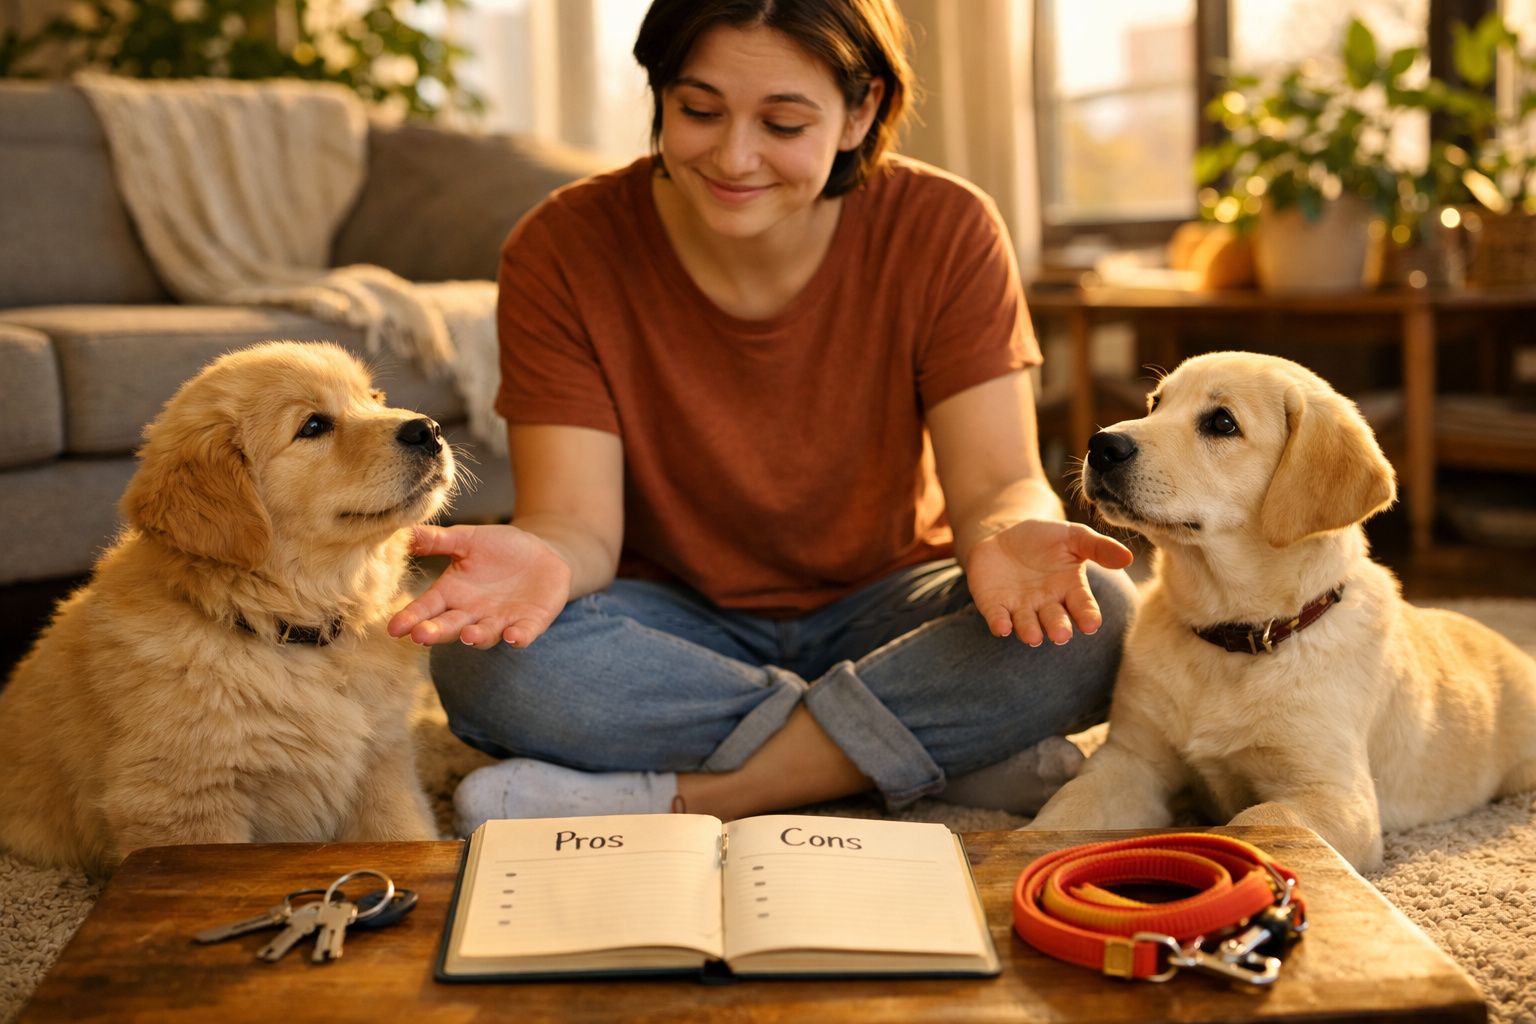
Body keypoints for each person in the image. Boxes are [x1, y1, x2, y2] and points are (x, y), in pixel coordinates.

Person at [389, 0, 1137, 833]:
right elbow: (577, 526)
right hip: (670, 624)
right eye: (699, 111)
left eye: (782, 123)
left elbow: (998, 484)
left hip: (889, 604)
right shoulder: (561, 246)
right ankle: (920, 755)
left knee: (1096, 617)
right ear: (661, 92)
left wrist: (1014, 533)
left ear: (862, 112)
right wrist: (542, 560)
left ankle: (695, 795)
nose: (734, 156)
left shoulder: (946, 227)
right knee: (485, 664)